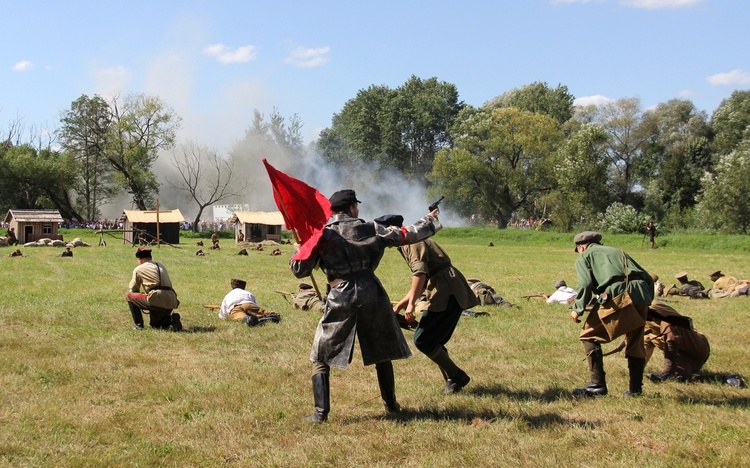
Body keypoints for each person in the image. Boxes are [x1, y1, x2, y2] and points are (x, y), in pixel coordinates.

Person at [291, 189, 441, 423]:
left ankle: (320, 414)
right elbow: (408, 234)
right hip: (372, 291)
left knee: (321, 355)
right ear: (351, 207)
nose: (358, 210)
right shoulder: (372, 228)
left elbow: (300, 271)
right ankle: (391, 406)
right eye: (356, 206)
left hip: (340, 294)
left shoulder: (321, 235)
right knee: (382, 352)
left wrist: (301, 246)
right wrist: (430, 218)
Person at [389, 214, 479, 394]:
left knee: (423, 340)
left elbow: (420, 275)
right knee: (433, 340)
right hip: (444, 288)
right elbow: (422, 278)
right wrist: (401, 304)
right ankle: (453, 381)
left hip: (446, 290)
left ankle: (457, 376)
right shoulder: (408, 241)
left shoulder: (411, 242)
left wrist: (411, 304)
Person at [570, 231, 654, 397]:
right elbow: (648, 278)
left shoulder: (584, 256)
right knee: (635, 341)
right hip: (641, 292)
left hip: (618, 294)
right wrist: (647, 301)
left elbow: (585, 284)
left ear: (581, 247)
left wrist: (577, 308)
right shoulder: (618, 251)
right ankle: (636, 390)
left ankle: (597, 385)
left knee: (589, 335)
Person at [644, 301, 709, 383]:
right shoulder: (640, 327)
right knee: (678, 377)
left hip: (695, 345)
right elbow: (646, 348)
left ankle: (668, 371)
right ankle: (723, 378)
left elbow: (680, 322)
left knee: (668, 321)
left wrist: (666, 334)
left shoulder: (654, 306)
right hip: (682, 357)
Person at [125, 247, 182, 331]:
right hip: (171, 299)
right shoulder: (161, 265)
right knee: (156, 325)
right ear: (150, 257)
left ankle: (138, 325)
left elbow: (133, 289)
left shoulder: (138, 269)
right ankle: (171, 320)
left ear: (139, 259)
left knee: (129, 296)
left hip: (156, 297)